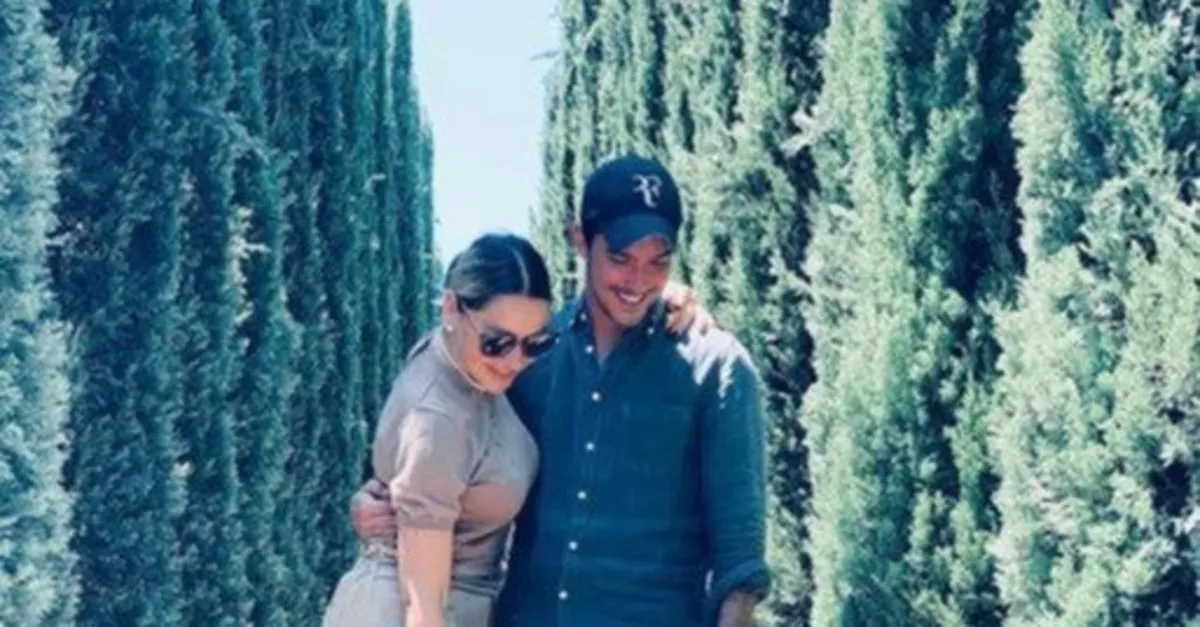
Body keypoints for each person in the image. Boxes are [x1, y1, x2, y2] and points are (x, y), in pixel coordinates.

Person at [351, 155, 770, 627]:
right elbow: (440, 434)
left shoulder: (715, 366)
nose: (638, 281)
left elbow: (740, 558)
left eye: (659, 262)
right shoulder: (526, 354)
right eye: (620, 258)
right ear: (580, 240)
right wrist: (378, 500)